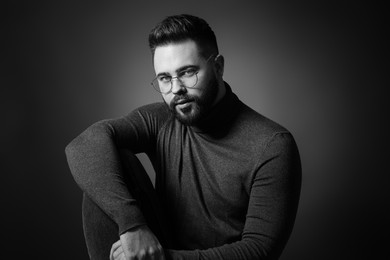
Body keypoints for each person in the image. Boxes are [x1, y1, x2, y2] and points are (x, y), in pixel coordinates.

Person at [65, 14, 301, 260]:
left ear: (218, 67)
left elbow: (259, 250)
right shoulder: (160, 119)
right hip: (154, 248)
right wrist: (132, 225)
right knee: (105, 164)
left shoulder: (272, 144)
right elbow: (82, 145)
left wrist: (159, 258)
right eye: (165, 78)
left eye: (187, 72)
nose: (176, 88)